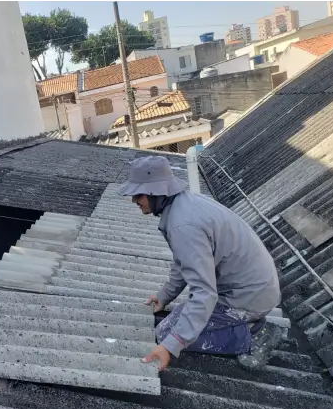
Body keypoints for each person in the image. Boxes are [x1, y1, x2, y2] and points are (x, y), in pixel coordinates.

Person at [117, 156, 282, 371]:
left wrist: (170, 346)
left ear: (156, 192)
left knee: (168, 334)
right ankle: (246, 323)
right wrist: (165, 295)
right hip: (250, 288)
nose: (134, 201)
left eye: (138, 194)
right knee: (176, 320)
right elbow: (184, 260)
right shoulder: (183, 205)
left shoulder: (183, 224)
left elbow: (204, 292)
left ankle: (253, 334)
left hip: (248, 297)